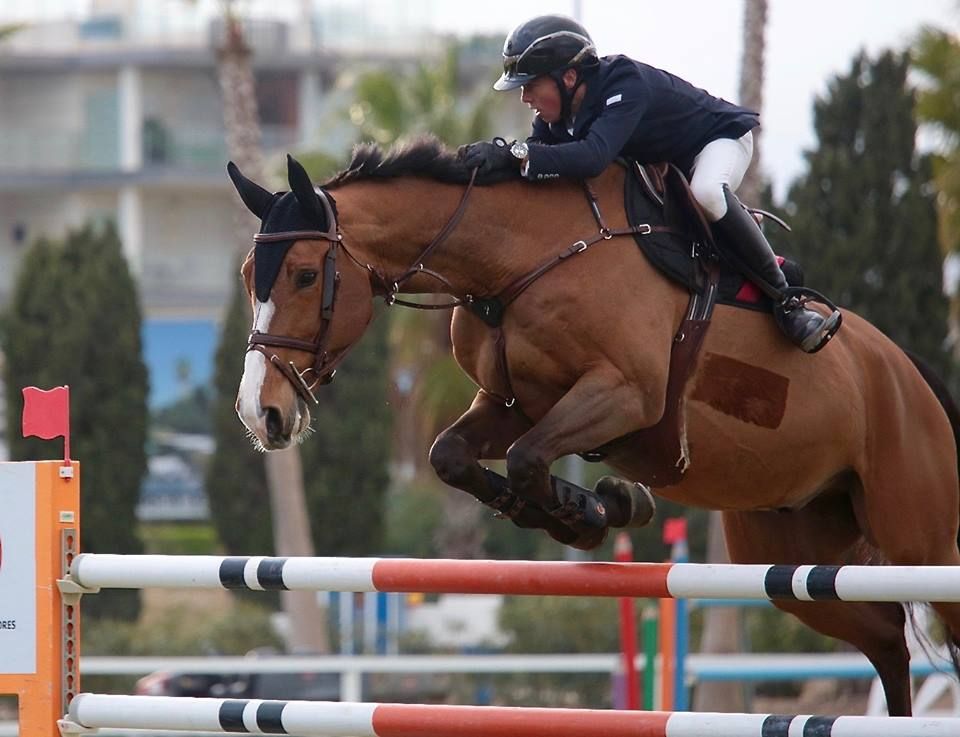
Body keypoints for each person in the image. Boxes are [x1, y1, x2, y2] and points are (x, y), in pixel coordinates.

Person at [460, 14, 840, 353]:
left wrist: (517, 154)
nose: (525, 98)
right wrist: (495, 163)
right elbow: (540, 161)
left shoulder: (624, 83)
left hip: (718, 140)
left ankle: (788, 302)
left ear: (569, 77)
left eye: (530, 86)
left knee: (706, 192)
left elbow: (592, 157)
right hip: (672, 164)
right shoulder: (556, 115)